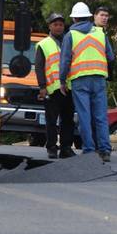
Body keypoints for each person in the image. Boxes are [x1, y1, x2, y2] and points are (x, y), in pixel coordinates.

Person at [59, 2, 115, 162]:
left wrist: (62, 81)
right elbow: (110, 57)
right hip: (98, 79)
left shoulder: (71, 35)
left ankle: (89, 150)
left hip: (79, 80)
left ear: (75, 18)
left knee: (84, 116)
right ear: (90, 17)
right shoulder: (100, 33)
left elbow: (65, 61)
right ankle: (104, 150)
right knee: (101, 117)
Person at [35, 12, 76, 159]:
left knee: (68, 120)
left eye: (61, 24)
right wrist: (42, 86)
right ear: (50, 26)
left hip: (69, 88)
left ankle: (66, 147)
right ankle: (52, 147)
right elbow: (39, 67)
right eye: (55, 24)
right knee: (51, 120)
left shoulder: (69, 41)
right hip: (52, 89)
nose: (59, 27)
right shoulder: (43, 44)